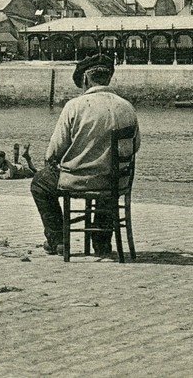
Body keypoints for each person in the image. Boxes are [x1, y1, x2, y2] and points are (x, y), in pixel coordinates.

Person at [30, 54, 140, 256]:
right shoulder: (127, 107)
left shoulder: (75, 106)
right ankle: (102, 242)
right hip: (116, 181)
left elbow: (53, 152)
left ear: (86, 79)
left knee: (39, 183)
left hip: (80, 180)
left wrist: (58, 161)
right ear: (108, 78)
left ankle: (58, 239)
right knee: (107, 178)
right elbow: (134, 146)